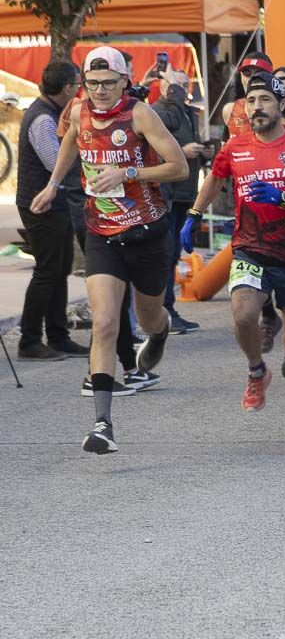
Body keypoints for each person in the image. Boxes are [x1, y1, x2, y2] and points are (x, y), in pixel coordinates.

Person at [31, 46, 189, 454]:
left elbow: (179, 167)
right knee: (104, 324)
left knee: (152, 316)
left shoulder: (139, 113)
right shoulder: (79, 111)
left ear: (123, 81)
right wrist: (53, 184)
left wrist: (129, 171)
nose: (99, 91)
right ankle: (103, 424)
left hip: (148, 233)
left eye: (108, 83)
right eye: (92, 83)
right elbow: (70, 141)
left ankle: (160, 332)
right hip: (102, 232)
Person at [182, 73, 285, 437]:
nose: (256, 107)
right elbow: (215, 178)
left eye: (265, 100)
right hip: (250, 248)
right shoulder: (235, 146)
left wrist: (284, 199)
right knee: (243, 316)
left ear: (281, 105)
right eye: (251, 101)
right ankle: (257, 370)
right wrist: (194, 214)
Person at [16, 60, 89, 361]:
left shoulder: (50, 113)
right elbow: (56, 162)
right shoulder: (43, 119)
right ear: (67, 88)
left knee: (60, 269)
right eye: (78, 84)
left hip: (53, 202)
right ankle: (29, 340)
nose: (80, 90)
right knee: (47, 271)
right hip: (40, 203)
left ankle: (58, 336)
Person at [153, 64, 209, 334]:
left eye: (187, 84)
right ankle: (164, 311)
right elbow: (150, 150)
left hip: (184, 191)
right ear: (164, 86)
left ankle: (168, 309)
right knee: (166, 253)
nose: (184, 89)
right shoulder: (157, 112)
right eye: (178, 84)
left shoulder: (187, 112)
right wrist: (181, 152)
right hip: (168, 193)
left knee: (173, 252)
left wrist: (203, 151)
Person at [221, 52, 274, 137]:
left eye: (259, 73)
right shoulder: (230, 110)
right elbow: (225, 147)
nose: (252, 79)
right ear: (241, 76)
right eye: (247, 73)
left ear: (271, 77)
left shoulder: (279, 112)